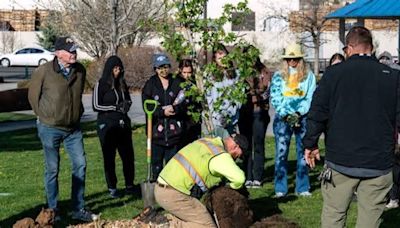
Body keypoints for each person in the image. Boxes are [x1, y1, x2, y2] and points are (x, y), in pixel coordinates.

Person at [303, 26, 398, 228]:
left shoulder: (334, 74)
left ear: (348, 48)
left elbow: (317, 112)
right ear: (371, 48)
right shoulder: (392, 77)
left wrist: (310, 143)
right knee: (369, 222)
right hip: (378, 161)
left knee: (333, 217)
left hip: (341, 160)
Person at [28, 36, 98, 222]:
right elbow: (33, 97)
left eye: (75, 50)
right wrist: (44, 115)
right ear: (58, 53)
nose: (74, 54)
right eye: (70, 51)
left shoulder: (80, 70)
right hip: (49, 128)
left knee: (80, 165)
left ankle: (78, 208)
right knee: (52, 169)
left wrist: (77, 113)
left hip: (73, 129)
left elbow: (78, 94)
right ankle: (52, 211)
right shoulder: (43, 71)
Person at [154, 134, 248, 227]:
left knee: (195, 218)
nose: (237, 158)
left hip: (162, 187)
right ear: (236, 147)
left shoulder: (208, 141)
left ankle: (155, 219)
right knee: (207, 226)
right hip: (174, 193)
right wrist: (231, 187)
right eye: (240, 155)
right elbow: (239, 178)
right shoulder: (220, 156)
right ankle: (160, 225)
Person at [270, 43, 316, 197]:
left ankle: (302, 187)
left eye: (295, 58)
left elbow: (310, 97)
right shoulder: (278, 76)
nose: (292, 61)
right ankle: (280, 188)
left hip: (302, 118)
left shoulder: (309, 76)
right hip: (283, 119)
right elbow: (276, 97)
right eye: (289, 59)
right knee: (281, 154)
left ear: (300, 59)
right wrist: (286, 114)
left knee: (303, 152)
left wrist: (299, 112)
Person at [92, 55, 137, 198]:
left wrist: (126, 105)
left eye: (119, 69)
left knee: (128, 155)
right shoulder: (101, 84)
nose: (117, 71)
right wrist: (114, 107)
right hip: (107, 124)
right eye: (115, 69)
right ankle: (112, 187)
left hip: (123, 124)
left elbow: (127, 100)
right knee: (109, 157)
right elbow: (96, 105)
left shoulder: (122, 84)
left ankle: (130, 184)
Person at [142, 53, 185, 181]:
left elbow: (184, 104)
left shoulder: (177, 83)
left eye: (166, 67)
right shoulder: (150, 85)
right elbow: (147, 106)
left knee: (173, 168)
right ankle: (156, 189)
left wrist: (175, 109)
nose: (163, 70)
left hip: (174, 134)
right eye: (160, 67)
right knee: (156, 166)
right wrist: (161, 112)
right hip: (156, 134)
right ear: (155, 69)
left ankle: (171, 193)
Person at [239, 54, 271, 189]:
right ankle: (247, 176)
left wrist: (253, 92)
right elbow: (240, 92)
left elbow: (265, 91)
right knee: (246, 145)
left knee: (258, 144)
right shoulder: (241, 73)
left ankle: (257, 176)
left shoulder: (264, 72)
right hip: (245, 112)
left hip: (259, 112)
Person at [205, 43, 241, 135]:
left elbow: (239, 96)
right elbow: (208, 97)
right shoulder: (210, 75)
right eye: (219, 58)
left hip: (231, 118)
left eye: (224, 58)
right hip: (216, 120)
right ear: (215, 60)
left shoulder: (236, 74)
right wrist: (216, 115)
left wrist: (231, 112)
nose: (223, 61)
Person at [176, 59, 201, 149]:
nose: (187, 75)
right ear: (180, 70)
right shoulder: (176, 82)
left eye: (189, 72)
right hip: (181, 119)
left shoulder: (195, 82)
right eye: (184, 72)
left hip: (194, 120)